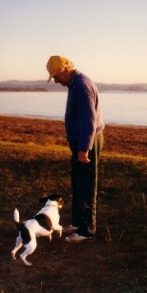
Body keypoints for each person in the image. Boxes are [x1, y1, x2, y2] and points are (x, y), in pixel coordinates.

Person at [46, 55, 105, 243]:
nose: (55, 80)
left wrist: (84, 149)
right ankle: (79, 223)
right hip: (81, 142)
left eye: (56, 75)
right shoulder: (74, 84)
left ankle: (88, 230)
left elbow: (90, 120)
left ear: (65, 69)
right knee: (78, 183)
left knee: (87, 185)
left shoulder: (81, 85)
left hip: (87, 142)